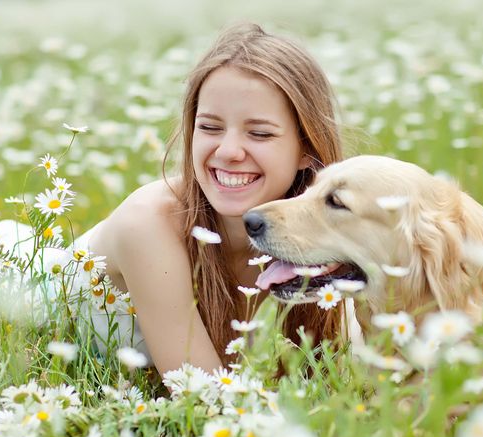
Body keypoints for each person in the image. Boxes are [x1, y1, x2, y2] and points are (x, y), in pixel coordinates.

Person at [77, 23, 344, 376]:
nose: (228, 150)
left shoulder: (331, 233)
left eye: (260, 133)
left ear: (307, 150)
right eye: (210, 127)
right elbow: (204, 400)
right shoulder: (146, 224)